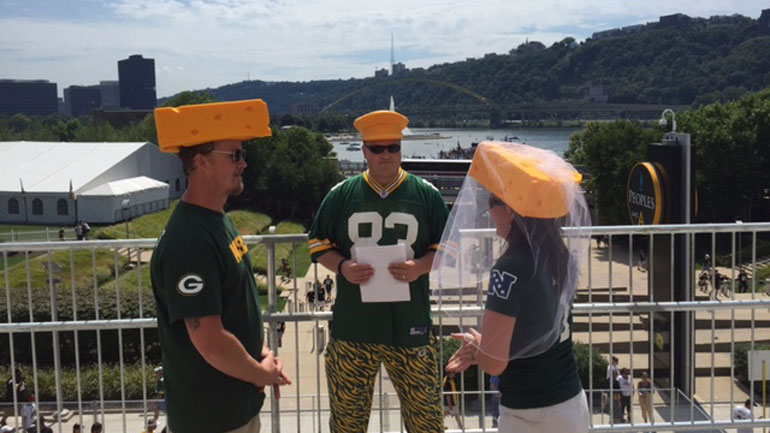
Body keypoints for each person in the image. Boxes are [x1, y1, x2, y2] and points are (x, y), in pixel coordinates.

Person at [151, 99, 290, 433]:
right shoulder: (190, 242)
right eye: (235, 155)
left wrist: (263, 350)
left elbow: (233, 305)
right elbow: (210, 340)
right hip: (211, 417)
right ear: (201, 162)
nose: (243, 164)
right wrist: (262, 373)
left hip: (232, 408)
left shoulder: (216, 220)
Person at [308, 110, 449, 432]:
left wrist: (419, 267)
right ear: (364, 151)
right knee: (347, 422)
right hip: (353, 327)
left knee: (426, 420)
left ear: (401, 149)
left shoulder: (426, 194)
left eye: (393, 148)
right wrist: (342, 266)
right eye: (377, 148)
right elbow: (317, 244)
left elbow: (446, 250)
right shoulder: (341, 194)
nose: (386, 155)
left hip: (411, 325)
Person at [440, 141, 592, 433]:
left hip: (530, 412)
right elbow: (538, 329)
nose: (488, 213)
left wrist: (477, 347)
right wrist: (487, 345)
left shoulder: (509, 270)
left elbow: (494, 365)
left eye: (491, 204)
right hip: (571, 401)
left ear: (510, 210)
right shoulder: (558, 256)